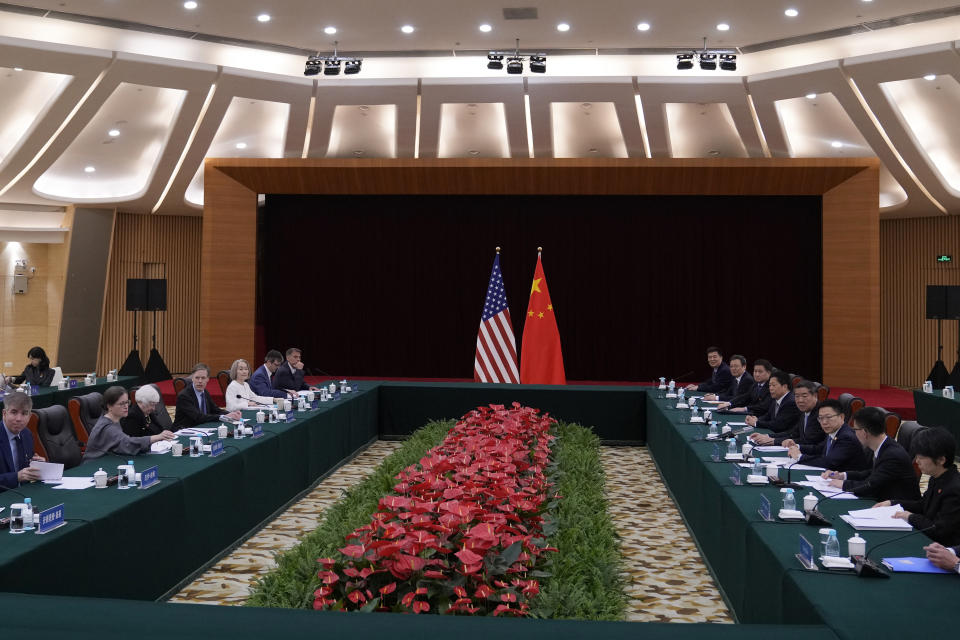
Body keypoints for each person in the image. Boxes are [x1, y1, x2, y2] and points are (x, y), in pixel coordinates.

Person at [875, 427, 960, 546]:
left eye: (922, 457)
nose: (917, 461)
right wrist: (892, 503)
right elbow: (923, 505)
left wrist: (910, 517)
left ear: (941, 460)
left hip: (944, 549)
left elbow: (939, 530)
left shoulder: (954, 488)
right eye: (916, 456)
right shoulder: (937, 477)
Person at [821, 406, 920, 502]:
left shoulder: (892, 454)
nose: (854, 433)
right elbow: (872, 473)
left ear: (864, 432)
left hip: (898, 509)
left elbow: (870, 485)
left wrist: (843, 484)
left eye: (855, 430)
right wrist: (842, 476)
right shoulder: (884, 445)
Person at [83, 386, 175, 461]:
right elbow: (127, 443)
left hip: (109, 461)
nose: (126, 407)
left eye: (127, 402)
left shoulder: (115, 420)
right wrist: (157, 437)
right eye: (121, 404)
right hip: (94, 467)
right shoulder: (108, 427)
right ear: (109, 406)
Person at [786, 398, 867, 470]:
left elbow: (829, 463)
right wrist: (798, 446)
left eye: (828, 417)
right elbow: (819, 449)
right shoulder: (834, 430)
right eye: (820, 418)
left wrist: (800, 457)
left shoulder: (846, 437)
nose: (824, 422)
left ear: (842, 417)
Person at [751, 380, 824, 446]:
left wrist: (774, 441)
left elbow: (808, 441)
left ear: (815, 396)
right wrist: (767, 436)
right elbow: (793, 433)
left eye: (804, 396)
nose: (800, 400)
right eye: (797, 396)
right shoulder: (805, 410)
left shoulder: (821, 414)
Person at [173, 363, 242, 429]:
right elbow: (198, 417)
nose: (200, 381)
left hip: (201, 427)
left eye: (203, 378)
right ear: (192, 378)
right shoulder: (184, 396)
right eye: (197, 378)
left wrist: (231, 414)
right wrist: (223, 417)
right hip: (184, 430)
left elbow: (215, 410)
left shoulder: (204, 392)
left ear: (208, 379)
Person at [0, 391, 45, 489]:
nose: (19, 419)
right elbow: (19, 475)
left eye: (24, 413)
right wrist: (16, 477)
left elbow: (25, 468)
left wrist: (37, 466)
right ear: (4, 413)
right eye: (14, 412)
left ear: (29, 416)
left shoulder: (26, 434)